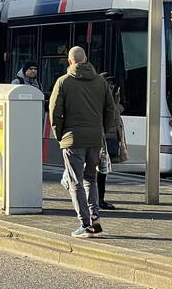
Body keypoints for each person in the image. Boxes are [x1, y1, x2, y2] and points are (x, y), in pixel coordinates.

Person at [49, 46, 116, 238]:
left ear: (70, 62)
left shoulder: (63, 82)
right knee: (91, 179)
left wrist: (60, 135)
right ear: (86, 59)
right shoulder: (101, 82)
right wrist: (101, 130)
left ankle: (84, 224)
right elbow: (110, 110)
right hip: (95, 139)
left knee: (75, 181)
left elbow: (55, 112)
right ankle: (95, 221)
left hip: (73, 139)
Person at [96, 73, 128, 210]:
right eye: (108, 83)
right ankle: (97, 200)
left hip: (111, 137)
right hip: (101, 137)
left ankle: (99, 199)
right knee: (98, 171)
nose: (111, 86)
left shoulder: (114, 96)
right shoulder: (98, 97)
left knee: (103, 171)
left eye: (113, 84)